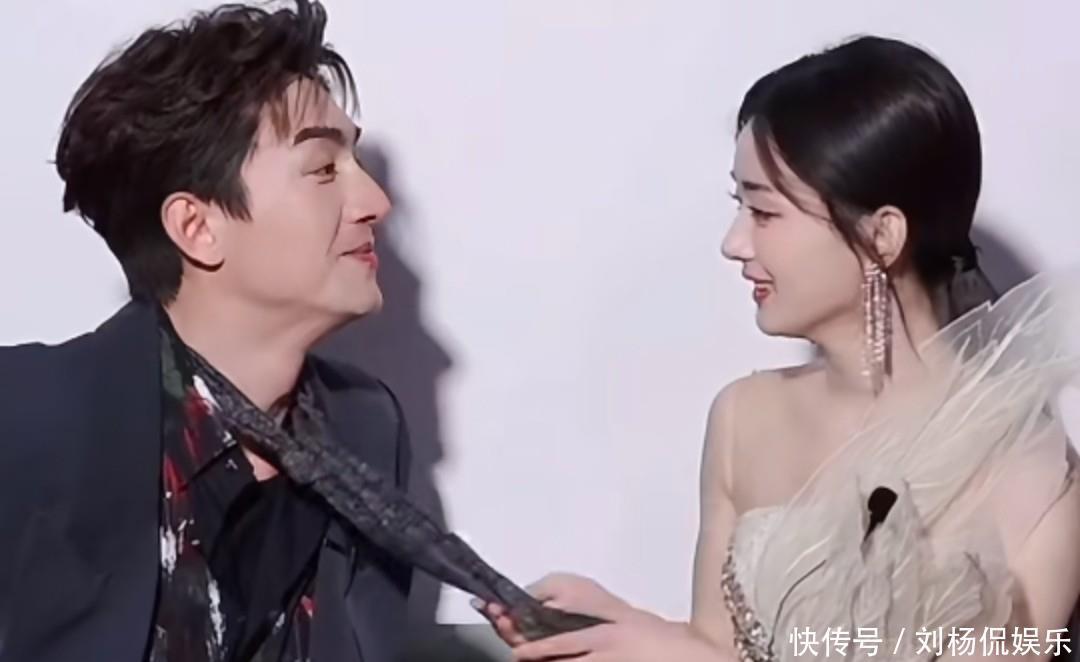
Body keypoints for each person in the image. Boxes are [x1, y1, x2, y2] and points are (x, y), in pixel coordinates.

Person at [480, 36, 1080, 661]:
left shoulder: (1032, 472)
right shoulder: (743, 415)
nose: (734, 243)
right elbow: (719, 648)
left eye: (764, 213)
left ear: (882, 234)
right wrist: (620, 626)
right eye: (739, 206)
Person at [0, 2, 415, 661]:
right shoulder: (27, 416)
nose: (374, 204)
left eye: (355, 161)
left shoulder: (366, 428)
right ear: (197, 228)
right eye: (322, 169)